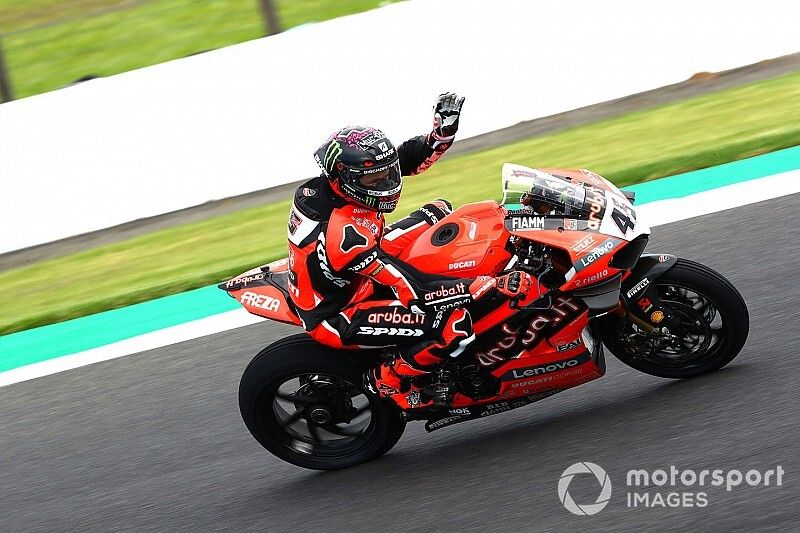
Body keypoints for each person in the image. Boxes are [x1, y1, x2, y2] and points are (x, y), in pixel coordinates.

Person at [286, 93, 532, 408]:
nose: (388, 182)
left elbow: (400, 161)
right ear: (344, 180)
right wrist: (486, 285)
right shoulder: (344, 234)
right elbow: (412, 289)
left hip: (356, 269)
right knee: (454, 323)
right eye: (377, 179)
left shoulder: (335, 186)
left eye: (385, 174)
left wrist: (438, 137)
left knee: (438, 211)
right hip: (339, 312)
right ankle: (388, 379)